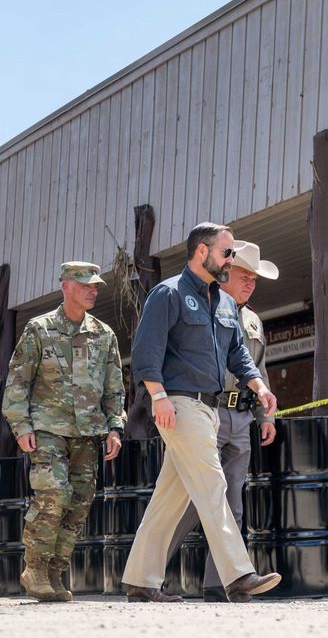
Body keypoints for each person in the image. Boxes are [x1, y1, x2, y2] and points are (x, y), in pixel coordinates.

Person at [120, 223, 281, 603]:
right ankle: (239, 575)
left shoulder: (224, 303)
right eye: (227, 253)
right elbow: (145, 353)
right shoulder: (168, 293)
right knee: (213, 487)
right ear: (200, 252)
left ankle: (140, 580)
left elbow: (238, 354)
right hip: (178, 405)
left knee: (169, 499)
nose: (231, 260)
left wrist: (259, 386)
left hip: (208, 410)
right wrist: (158, 398)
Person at [2, 261, 125, 602]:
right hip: (47, 430)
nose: (92, 290)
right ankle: (35, 568)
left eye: (95, 285)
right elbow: (17, 383)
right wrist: (21, 425)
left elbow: (115, 388)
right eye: (85, 284)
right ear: (65, 286)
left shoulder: (104, 334)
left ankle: (55, 573)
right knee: (53, 495)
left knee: (79, 502)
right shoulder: (39, 330)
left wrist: (115, 427)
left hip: (88, 432)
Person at [165, 240, 279, 602]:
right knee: (186, 503)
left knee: (233, 502)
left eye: (255, 280)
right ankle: (148, 571)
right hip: (205, 412)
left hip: (241, 417)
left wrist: (264, 414)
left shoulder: (253, 320)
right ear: (226, 274)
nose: (250, 284)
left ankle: (223, 584)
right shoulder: (203, 307)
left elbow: (256, 366)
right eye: (245, 276)